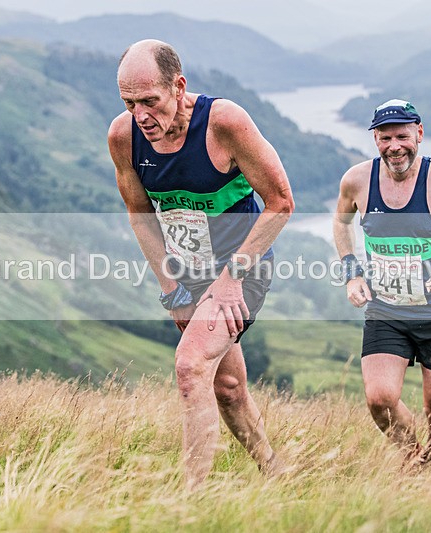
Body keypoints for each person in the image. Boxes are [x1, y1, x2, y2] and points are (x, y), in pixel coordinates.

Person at [107, 40, 294, 489]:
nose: (141, 116)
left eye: (150, 101)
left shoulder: (222, 123)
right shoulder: (123, 137)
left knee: (190, 367)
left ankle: (192, 500)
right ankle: (277, 473)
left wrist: (232, 279)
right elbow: (140, 213)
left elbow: (281, 202)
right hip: (188, 277)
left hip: (243, 268)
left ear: (179, 86)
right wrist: (171, 288)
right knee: (227, 388)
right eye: (129, 103)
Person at [332, 99, 431, 465]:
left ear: (419, 133)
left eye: (402, 136)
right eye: (385, 138)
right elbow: (341, 224)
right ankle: (415, 460)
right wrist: (351, 273)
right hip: (386, 309)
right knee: (379, 399)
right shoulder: (357, 180)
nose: (394, 146)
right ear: (375, 139)